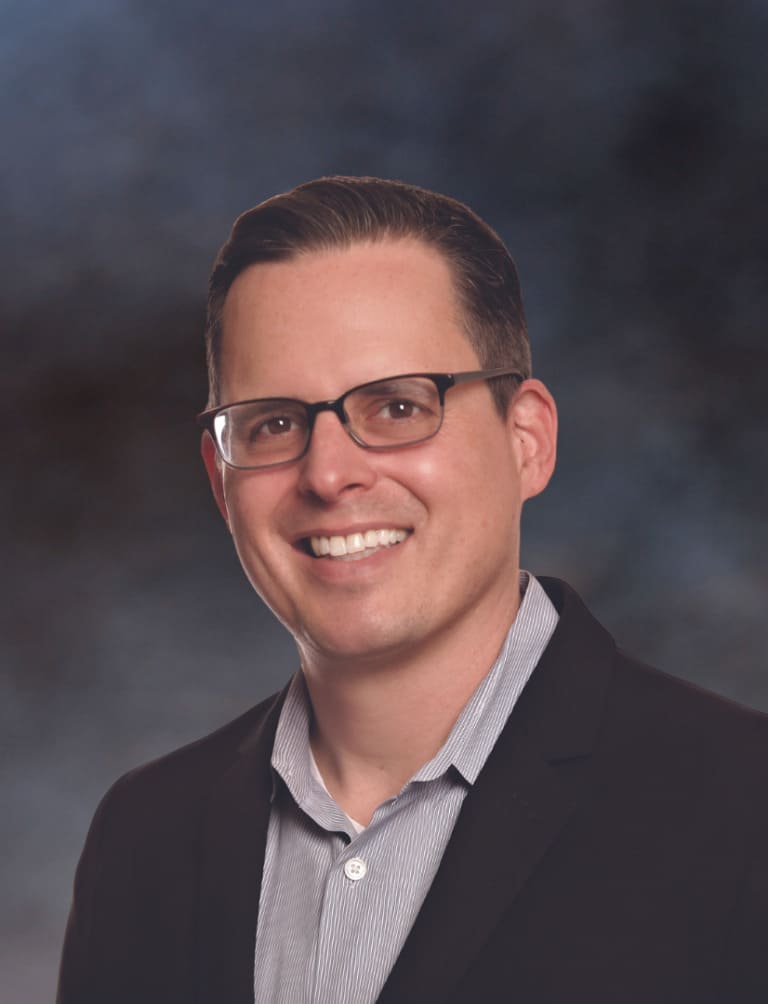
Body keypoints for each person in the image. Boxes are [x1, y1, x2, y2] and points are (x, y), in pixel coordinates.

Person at [58, 177, 767, 1004]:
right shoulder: (144, 837)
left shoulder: (742, 807)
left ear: (527, 441)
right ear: (222, 481)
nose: (329, 474)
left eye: (398, 405)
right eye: (275, 423)